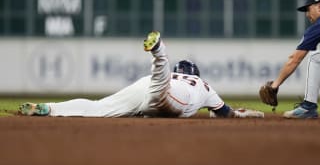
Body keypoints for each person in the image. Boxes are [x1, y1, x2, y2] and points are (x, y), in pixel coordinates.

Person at [19, 31, 264, 119]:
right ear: (195, 74)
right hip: (170, 94)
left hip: (144, 88)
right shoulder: (202, 85)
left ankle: (49, 108)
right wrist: (248, 114)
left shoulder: (186, 80)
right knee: (160, 82)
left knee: (98, 108)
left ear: (180, 72)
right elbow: (225, 114)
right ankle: (159, 50)